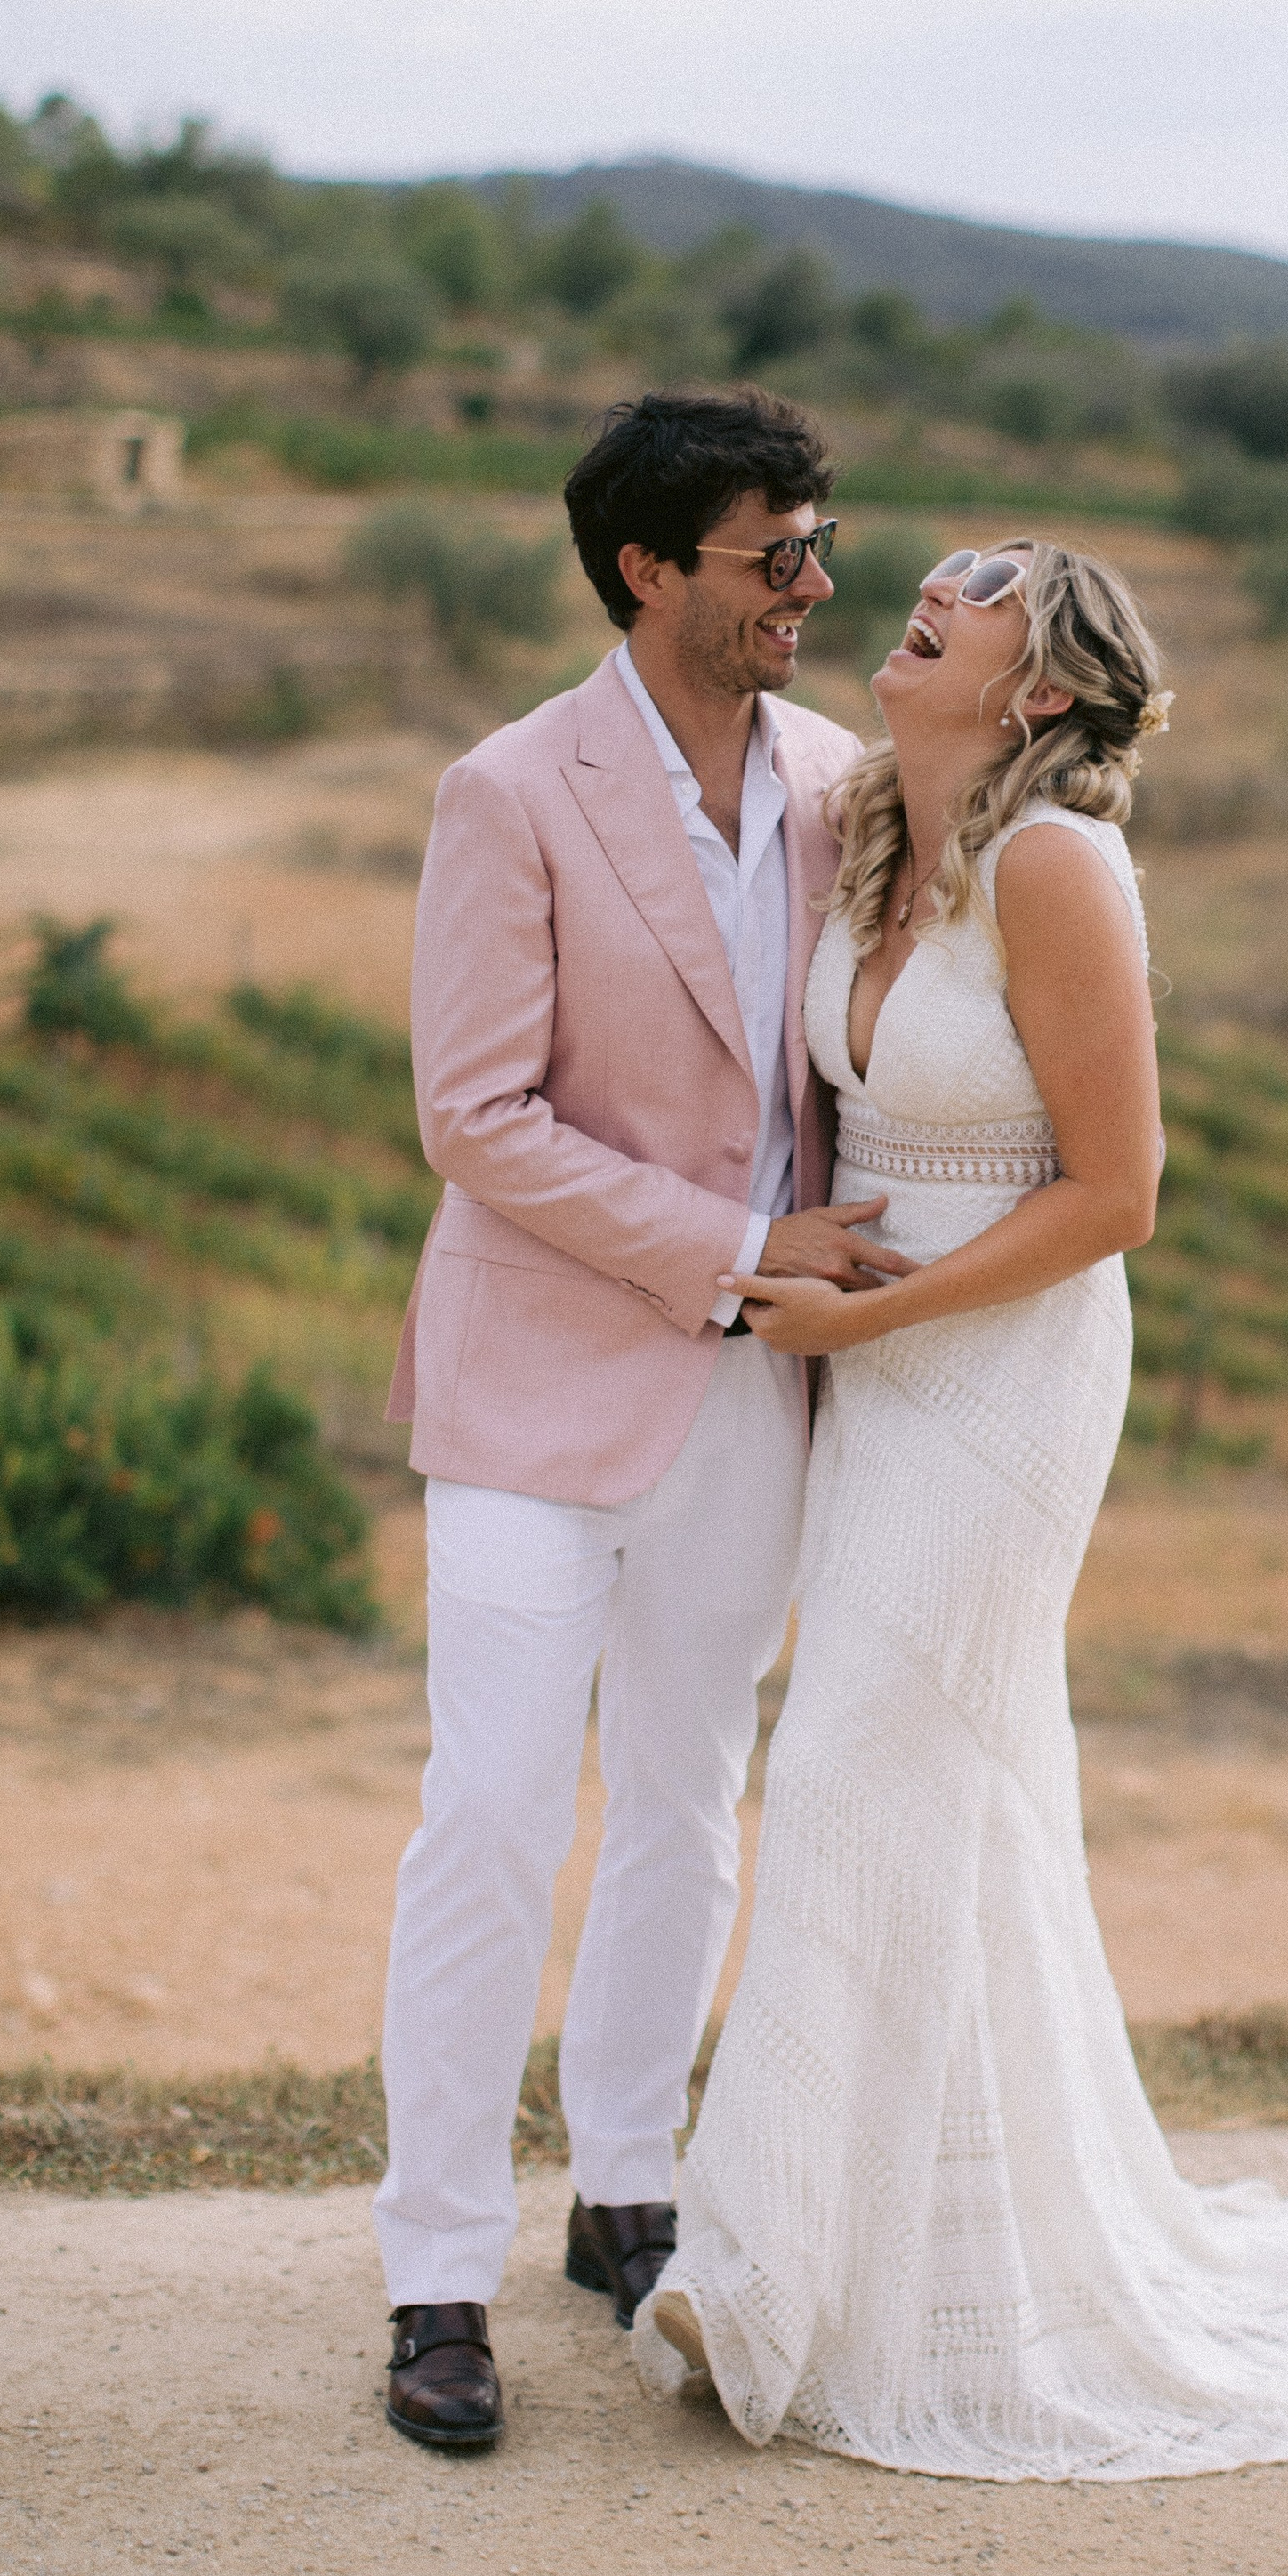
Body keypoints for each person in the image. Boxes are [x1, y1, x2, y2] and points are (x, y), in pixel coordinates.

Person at [632, 535, 1288, 2478]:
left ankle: (761, 2266)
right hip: (869, 1366)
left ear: (1037, 689)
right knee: (951, 1791)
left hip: (1002, 1373)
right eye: (936, 569)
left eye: (980, 590)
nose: (927, 587)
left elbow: (1113, 1197)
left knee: (863, 1753)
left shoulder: (1058, 865)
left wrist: (873, 1323)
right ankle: (934, 2254)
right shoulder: (871, 828)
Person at [369, 386, 895, 2452]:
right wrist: (744, 1242)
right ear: (648, 569)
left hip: (751, 1389)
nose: (814, 588)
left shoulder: (845, 777)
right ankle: (430, 2274)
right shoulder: (505, 792)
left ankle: (625, 2191)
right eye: (779, 555)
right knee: (489, 1811)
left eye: (819, 547)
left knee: (688, 1805)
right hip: (530, 1384)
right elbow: (471, 1119)